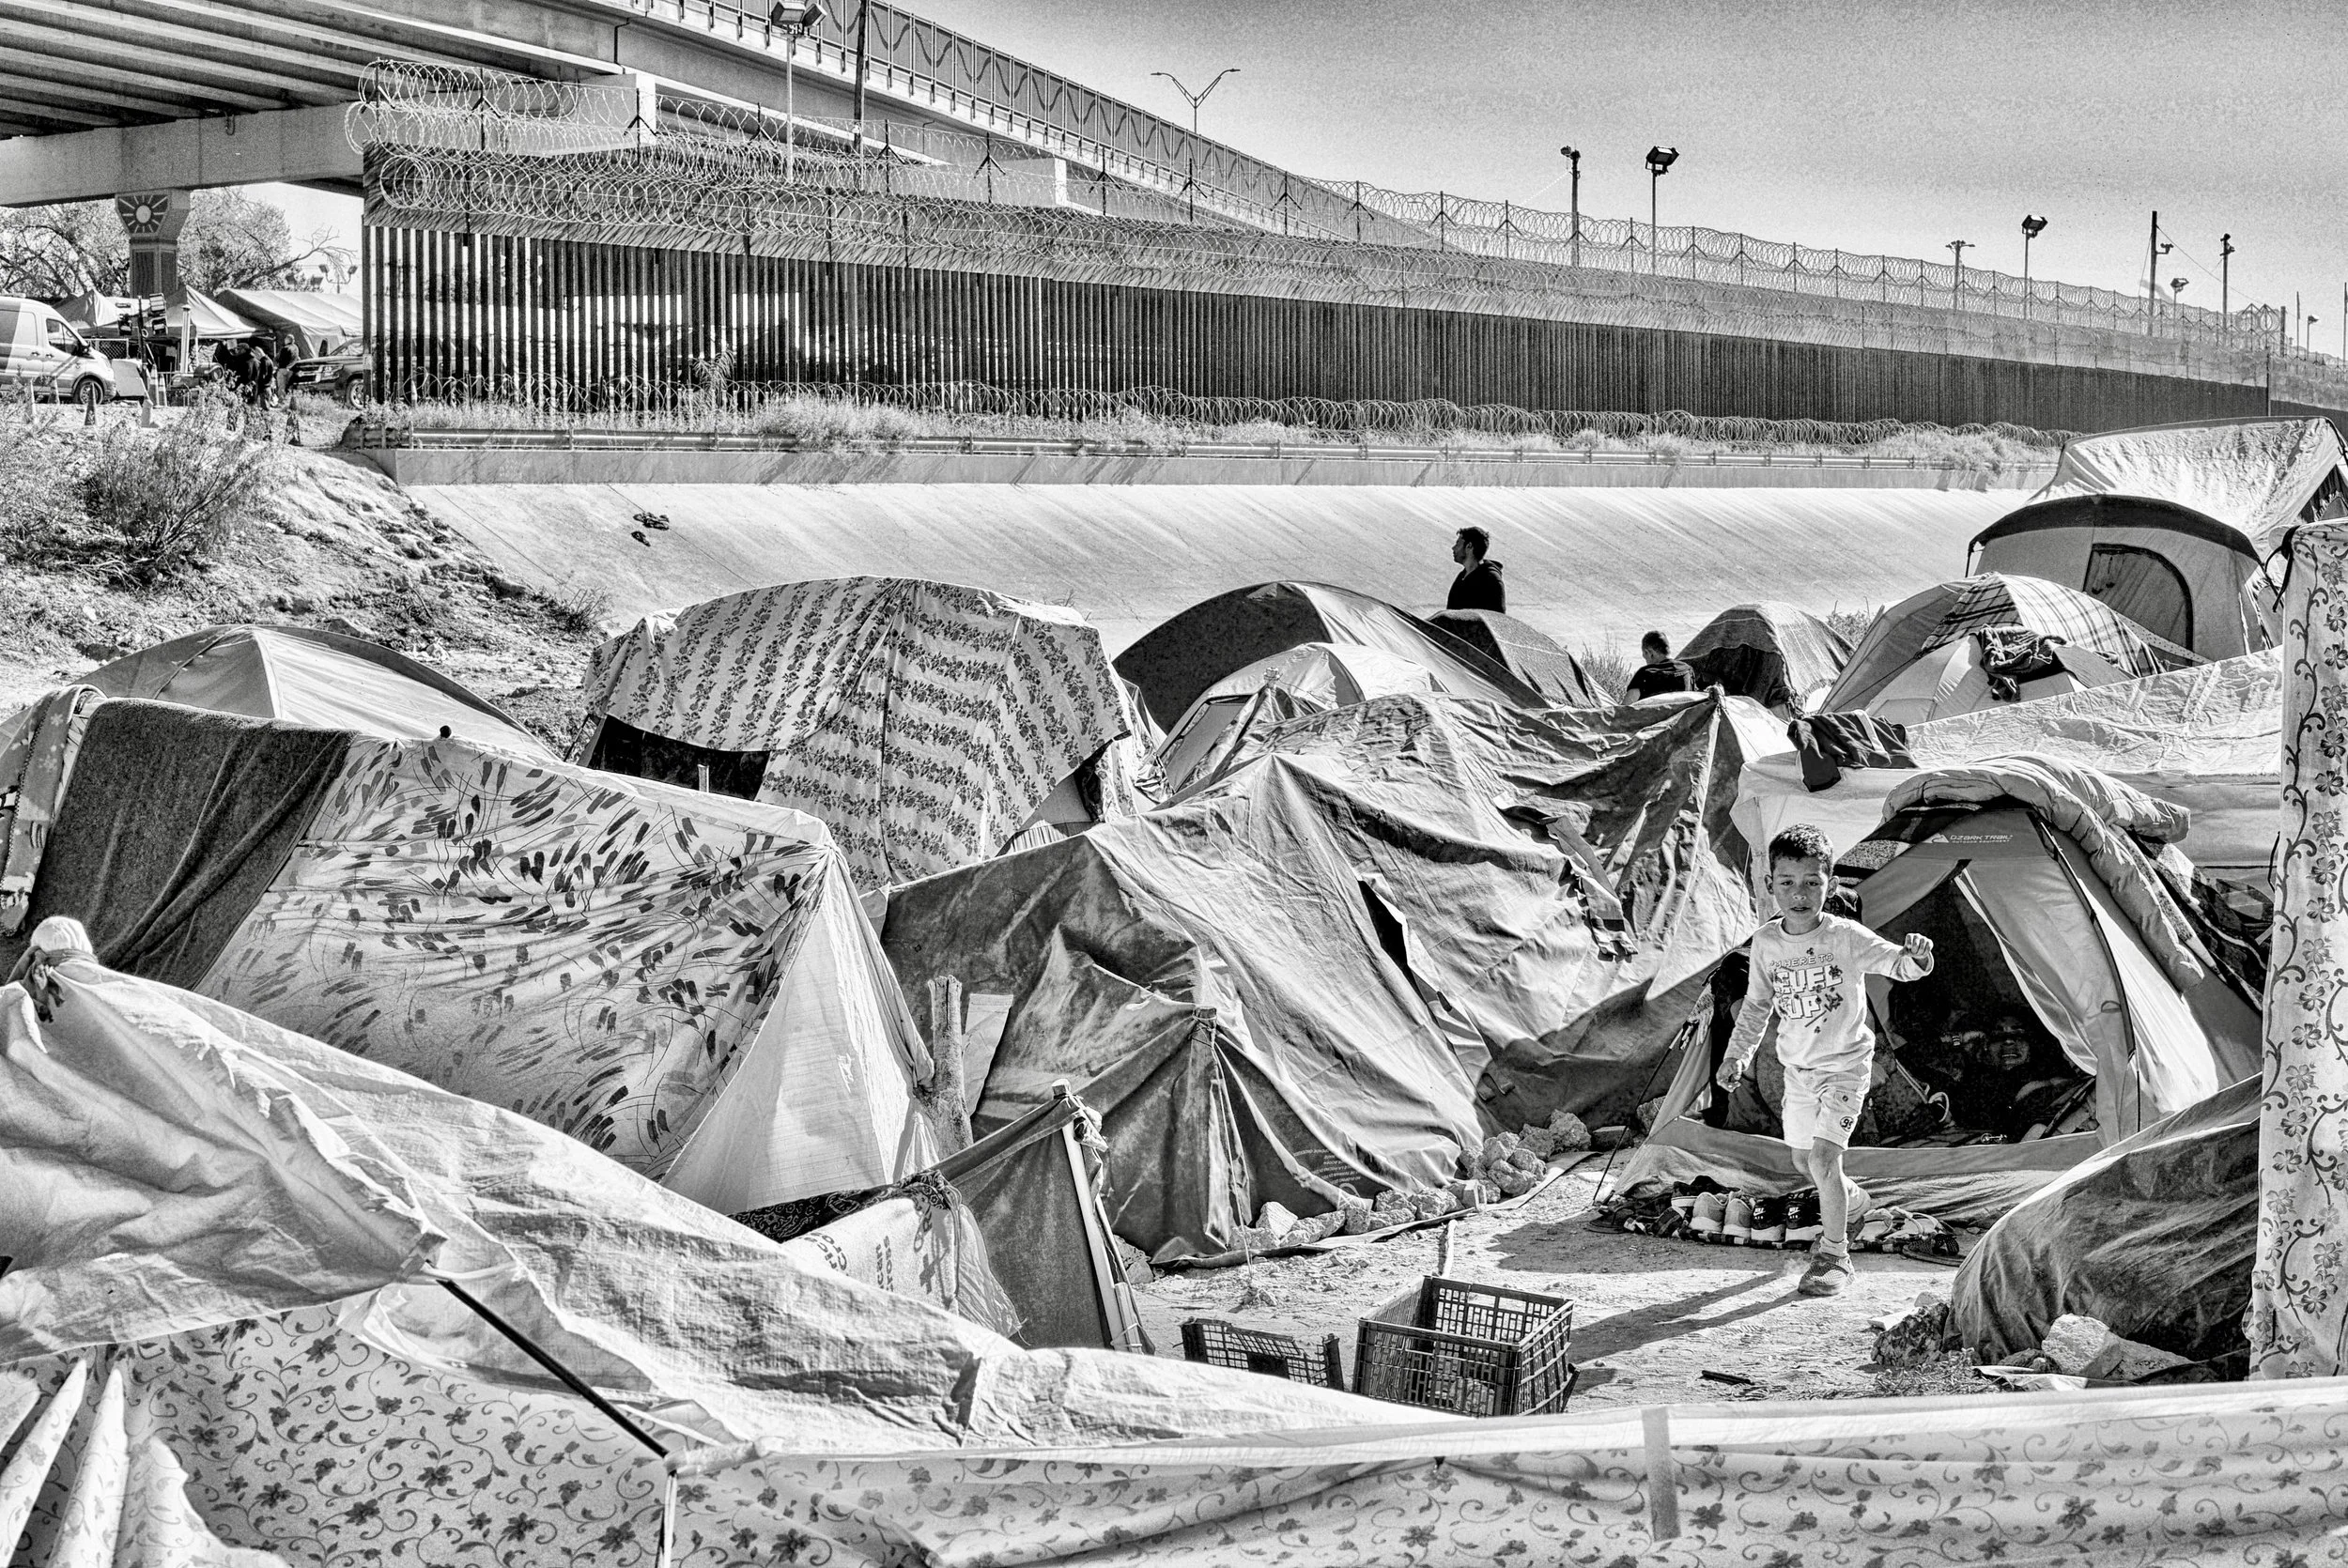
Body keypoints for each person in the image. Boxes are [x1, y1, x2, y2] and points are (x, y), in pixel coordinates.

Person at [1715, 824, 1933, 1298]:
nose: (1799, 894)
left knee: (1822, 1157)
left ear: (1830, 885)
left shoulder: (1845, 936)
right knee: (1802, 1160)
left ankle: (1835, 1255)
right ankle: (1855, 1202)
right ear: (1769, 885)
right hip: (1798, 1071)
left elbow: (1897, 964)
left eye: (1812, 882)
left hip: (1845, 1067)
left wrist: (1918, 957)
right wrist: (1737, 1056)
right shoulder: (1767, 942)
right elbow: (1756, 1007)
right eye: (1788, 882)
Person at [1446, 527, 1506, 613]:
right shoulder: (1462, 576)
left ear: (1469, 546)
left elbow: (1498, 618)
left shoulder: (1491, 579)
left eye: (1458, 544)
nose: (1453, 548)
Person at [1625, 631, 1699, 699]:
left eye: (1645, 656)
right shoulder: (1687, 670)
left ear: (1650, 653)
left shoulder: (1644, 673)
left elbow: (1626, 706)